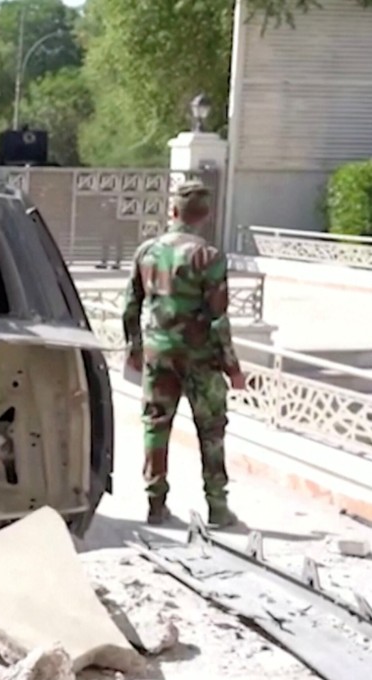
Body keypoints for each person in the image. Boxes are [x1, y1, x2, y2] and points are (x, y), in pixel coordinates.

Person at [121, 180, 246, 528]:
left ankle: (156, 505)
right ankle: (218, 508)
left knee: (156, 425)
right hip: (201, 357)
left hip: (158, 354)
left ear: (173, 211)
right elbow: (218, 319)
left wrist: (134, 347)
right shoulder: (209, 257)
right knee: (211, 429)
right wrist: (233, 368)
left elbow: (131, 306)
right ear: (204, 216)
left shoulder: (147, 251)